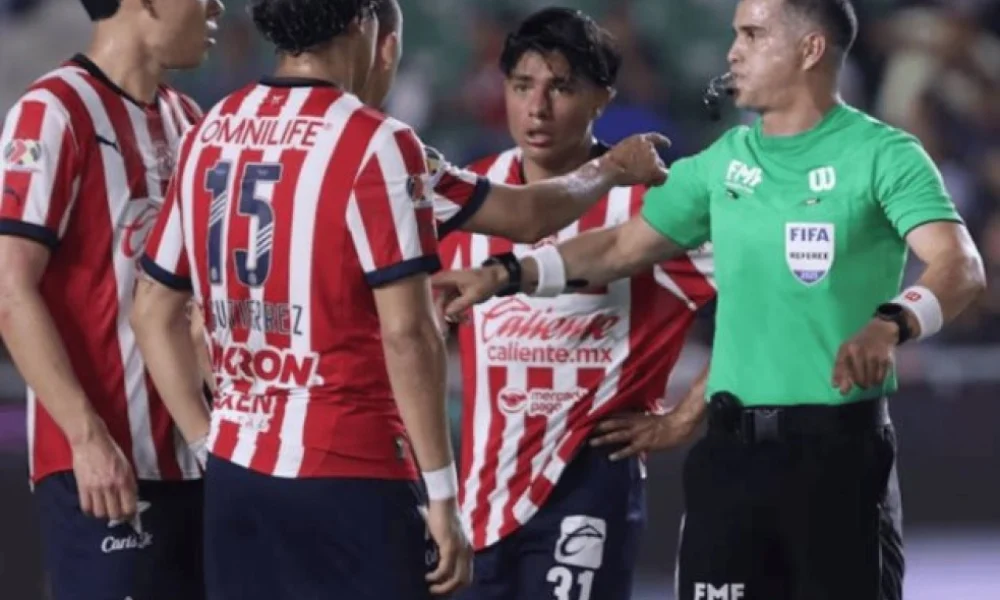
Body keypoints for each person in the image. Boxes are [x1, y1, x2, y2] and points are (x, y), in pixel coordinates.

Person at [433, 1, 988, 599]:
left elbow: (960, 264)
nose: (732, 52)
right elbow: (619, 247)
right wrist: (506, 273)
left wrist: (893, 322)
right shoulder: (720, 164)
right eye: (734, 35)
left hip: (837, 450)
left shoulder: (884, 154)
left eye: (752, 35)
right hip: (728, 460)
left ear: (810, 49)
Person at [130, 1, 669, 599]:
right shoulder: (376, 142)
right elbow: (411, 331)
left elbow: (152, 309)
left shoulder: (211, 129)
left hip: (238, 471)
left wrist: (208, 444)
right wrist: (442, 495)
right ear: (361, 23)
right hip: (350, 467)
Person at [434, 9, 716, 600]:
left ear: (602, 99)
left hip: (588, 485)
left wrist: (688, 415)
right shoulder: (473, 196)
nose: (537, 108)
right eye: (522, 86)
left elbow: (761, 303)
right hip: (478, 496)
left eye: (560, 88)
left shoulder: (652, 206)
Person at [0, 0, 223, 599]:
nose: (217, 7)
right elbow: (9, 287)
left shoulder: (190, 119)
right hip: (104, 469)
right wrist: (85, 436)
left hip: (199, 457)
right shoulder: (52, 112)